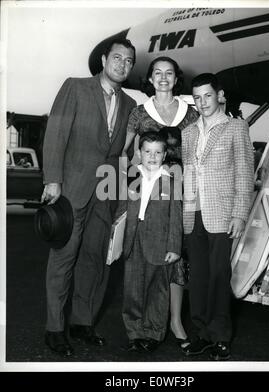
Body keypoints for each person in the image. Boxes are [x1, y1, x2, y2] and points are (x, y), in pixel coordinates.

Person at [41, 38, 136, 356]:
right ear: (105, 59)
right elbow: (56, 133)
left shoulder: (130, 105)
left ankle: (82, 323)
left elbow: (123, 154)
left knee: (96, 261)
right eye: (118, 58)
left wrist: (122, 196)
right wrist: (53, 180)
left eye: (129, 61)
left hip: (106, 193)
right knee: (64, 259)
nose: (122, 64)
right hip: (71, 189)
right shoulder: (75, 87)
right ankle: (54, 328)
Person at [121, 56, 198, 349]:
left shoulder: (190, 114)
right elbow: (126, 151)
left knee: (177, 255)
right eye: (157, 73)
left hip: (183, 192)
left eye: (169, 73)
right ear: (150, 78)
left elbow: (197, 151)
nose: (163, 78)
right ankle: (145, 326)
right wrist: (130, 182)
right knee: (146, 263)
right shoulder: (140, 113)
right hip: (149, 192)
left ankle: (174, 321)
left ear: (176, 78)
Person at [181, 73, 254, 360]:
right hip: (193, 213)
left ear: (220, 95)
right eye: (197, 97)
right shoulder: (188, 132)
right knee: (197, 277)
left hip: (222, 214)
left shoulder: (236, 128)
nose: (202, 102)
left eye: (207, 95)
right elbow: (187, 174)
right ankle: (201, 333)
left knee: (219, 276)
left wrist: (239, 213)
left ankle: (220, 336)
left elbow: (245, 174)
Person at [116, 131, 182, 352]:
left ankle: (153, 333)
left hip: (160, 242)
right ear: (139, 153)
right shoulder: (132, 176)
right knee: (132, 289)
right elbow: (122, 209)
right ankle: (134, 332)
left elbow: (176, 216)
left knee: (158, 290)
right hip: (133, 239)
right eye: (147, 152)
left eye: (157, 152)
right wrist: (114, 238)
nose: (152, 157)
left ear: (164, 155)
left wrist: (174, 246)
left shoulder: (172, 181)